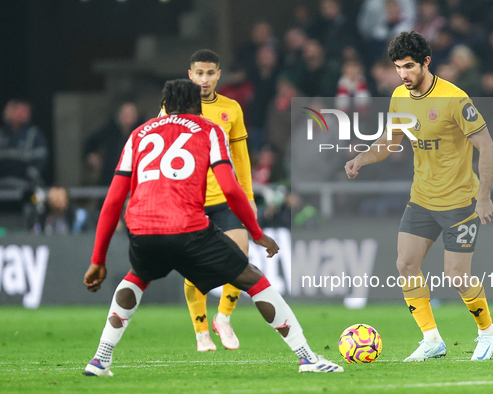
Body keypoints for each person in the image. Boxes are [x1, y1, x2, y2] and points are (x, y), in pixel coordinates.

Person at [83, 79, 343, 376]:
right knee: (252, 278)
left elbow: (113, 200)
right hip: (187, 227)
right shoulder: (210, 130)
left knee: (138, 278)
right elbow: (232, 190)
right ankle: (307, 357)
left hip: (142, 228)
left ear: (165, 106)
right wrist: (256, 233)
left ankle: (101, 358)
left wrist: (97, 260)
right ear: (197, 105)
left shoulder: (138, 134)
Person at [344, 31, 493, 362]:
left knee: (457, 276)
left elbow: (486, 146)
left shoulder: (454, 99)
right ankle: (432, 339)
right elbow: (390, 141)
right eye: (398, 67)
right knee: (405, 263)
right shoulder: (400, 96)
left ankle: (487, 331)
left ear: (426, 62)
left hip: (459, 201)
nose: (403, 74)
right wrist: (363, 157)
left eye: (410, 66)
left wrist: (484, 196)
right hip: (422, 199)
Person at [159, 49, 257, 352]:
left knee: (240, 257)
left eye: (210, 73)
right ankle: (201, 332)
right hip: (188, 200)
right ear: (190, 75)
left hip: (225, 198)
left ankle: (223, 318)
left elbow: (240, 158)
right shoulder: (172, 107)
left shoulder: (232, 109)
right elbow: (160, 151)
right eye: (198, 73)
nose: (204, 79)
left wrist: (248, 197)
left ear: (218, 75)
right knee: (194, 267)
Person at [84, 102, 141, 186]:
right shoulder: (109, 131)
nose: (128, 118)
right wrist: (91, 156)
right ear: (119, 116)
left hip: (135, 179)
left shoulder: (143, 132)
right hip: (110, 178)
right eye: (126, 114)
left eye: (131, 114)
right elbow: (90, 143)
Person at [0, 99, 48, 190]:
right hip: (2, 188)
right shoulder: (1, 134)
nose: (25, 114)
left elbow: (41, 159)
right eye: (21, 110)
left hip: (26, 187)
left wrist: (29, 177)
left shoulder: (34, 134)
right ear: (10, 111)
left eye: (27, 111)